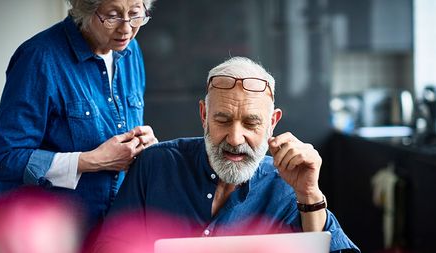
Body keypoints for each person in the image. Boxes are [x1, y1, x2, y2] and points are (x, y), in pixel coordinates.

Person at [92, 56, 360, 253]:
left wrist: (310, 195)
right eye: (222, 120)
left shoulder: (288, 184)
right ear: (204, 116)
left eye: (251, 123)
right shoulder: (154, 166)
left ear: (272, 124)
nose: (235, 138)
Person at [0, 0, 158, 231]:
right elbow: (4, 158)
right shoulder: (38, 57)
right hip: (46, 233)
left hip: (109, 228)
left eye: (136, 14)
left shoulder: (130, 50)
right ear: (84, 8)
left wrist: (142, 146)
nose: (126, 28)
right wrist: (91, 161)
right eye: (113, 16)